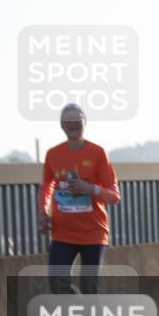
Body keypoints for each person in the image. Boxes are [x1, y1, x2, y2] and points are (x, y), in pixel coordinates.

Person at [37, 104, 120, 294]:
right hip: (63, 232)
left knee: (90, 288)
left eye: (77, 120)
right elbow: (46, 186)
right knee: (57, 284)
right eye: (68, 120)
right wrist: (42, 213)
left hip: (93, 232)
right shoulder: (53, 154)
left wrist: (90, 189)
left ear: (85, 123)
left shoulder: (98, 153)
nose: (73, 124)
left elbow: (114, 195)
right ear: (61, 125)